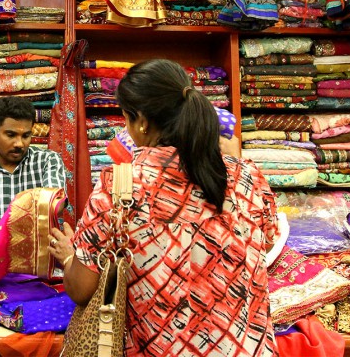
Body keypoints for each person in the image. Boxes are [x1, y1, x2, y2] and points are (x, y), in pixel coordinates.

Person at [49, 59, 278, 356]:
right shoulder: (248, 177)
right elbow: (267, 241)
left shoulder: (120, 186)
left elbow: (81, 289)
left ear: (141, 120)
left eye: (126, 119)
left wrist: (69, 257)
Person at [0, 97, 67, 223]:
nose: (19, 144)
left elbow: (56, 204)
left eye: (26, 136)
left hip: (36, 243)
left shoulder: (47, 160)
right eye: (11, 135)